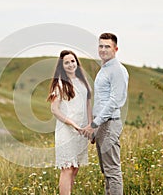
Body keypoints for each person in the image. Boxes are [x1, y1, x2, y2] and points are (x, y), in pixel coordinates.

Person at [81, 33, 129, 195]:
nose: (103, 49)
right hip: (102, 124)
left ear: (116, 49)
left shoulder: (117, 70)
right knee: (106, 170)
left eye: (107, 46)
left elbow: (114, 101)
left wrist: (94, 124)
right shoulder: (105, 69)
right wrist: (96, 127)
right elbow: (101, 101)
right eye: (101, 46)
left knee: (112, 171)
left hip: (109, 123)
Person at [47, 50, 92, 195]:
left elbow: (88, 105)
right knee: (67, 168)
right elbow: (54, 109)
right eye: (66, 62)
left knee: (75, 168)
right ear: (62, 66)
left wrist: (91, 126)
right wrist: (72, 124)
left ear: (77, 63)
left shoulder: (83, 82)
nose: (71, 64)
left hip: (82, 132)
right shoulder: (59, 84)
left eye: (73, 61)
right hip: (66, 132)